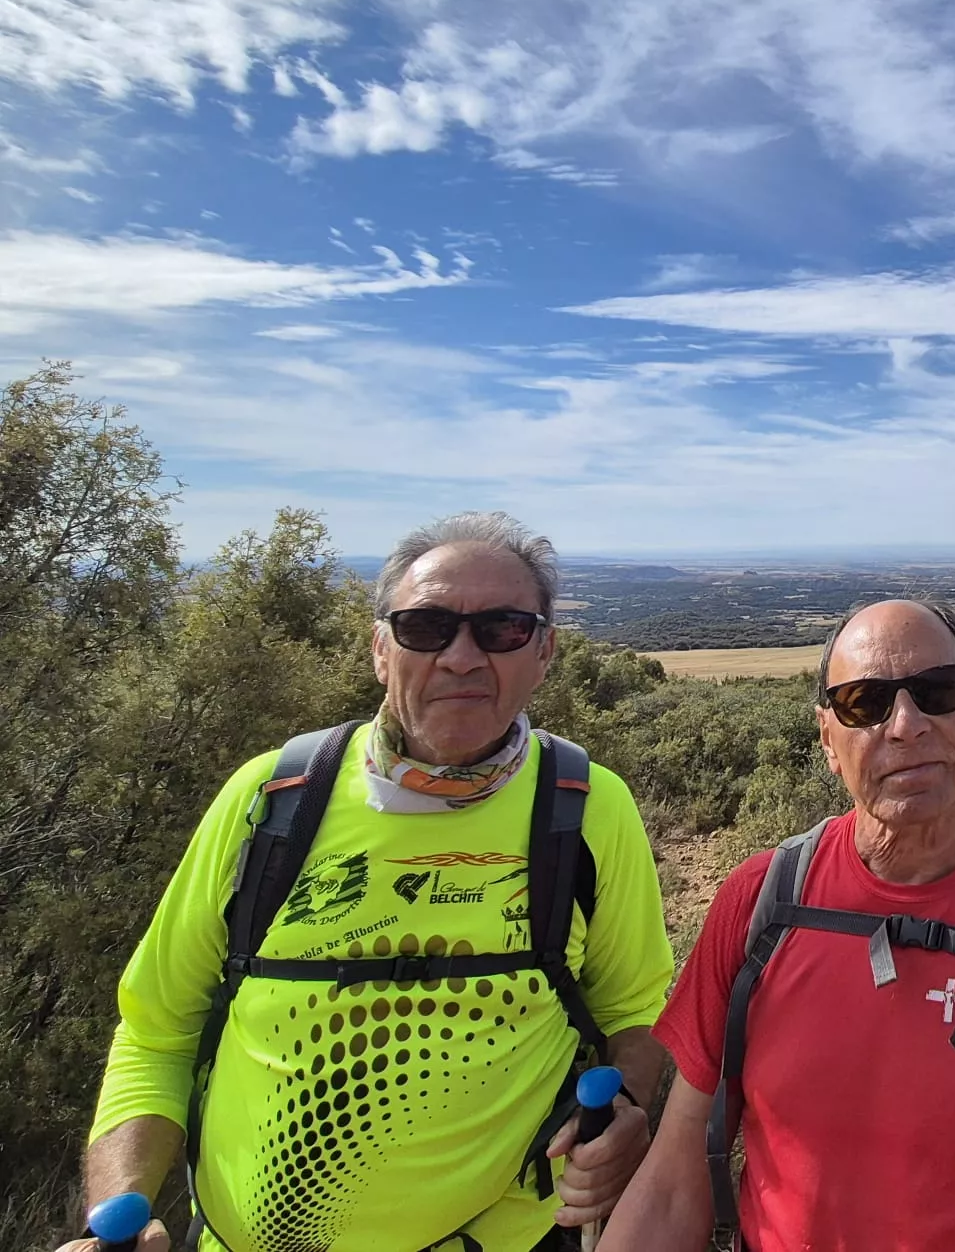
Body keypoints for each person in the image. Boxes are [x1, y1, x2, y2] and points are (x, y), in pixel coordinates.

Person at [60, 513, 674, 1252]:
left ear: (544, 652)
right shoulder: (272, 798)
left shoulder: (587, 805)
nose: (461, 657)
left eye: (503, 629)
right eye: (425, 627)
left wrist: (628, 1106)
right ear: (381, 649)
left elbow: (634, 1008)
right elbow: (157, 1032)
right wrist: (122, 1208)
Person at [602, 599, 955, 1252]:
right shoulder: (758, 903)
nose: (906, 725)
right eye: (865, 703)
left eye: (938, 691)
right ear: (828, 739)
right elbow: (673, 1184)